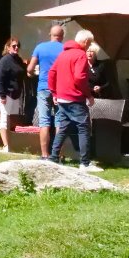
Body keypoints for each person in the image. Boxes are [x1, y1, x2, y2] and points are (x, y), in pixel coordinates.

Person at [47, 29, 96, 168]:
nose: (89, 47)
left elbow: (52, 73)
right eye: (89, 43)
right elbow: (79, 78)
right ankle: (85, 163)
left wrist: (54, 93)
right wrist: (88, 95)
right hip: (75, 98)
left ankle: (54, 158)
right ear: (86, 41)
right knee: (84, 128)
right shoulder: (80, 55)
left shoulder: (63, 54)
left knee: (63, 128)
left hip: (62, 98)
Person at [26, 24, 64, 160]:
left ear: (50, 35)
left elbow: (30, 68)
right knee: (59, 121)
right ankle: (58, 154)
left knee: (44, 121)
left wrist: (31, 73)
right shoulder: (65, 49)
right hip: (60, 89)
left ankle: (44, 154)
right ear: (62, 36)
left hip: (43, 87)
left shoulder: (40, 47)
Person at [0, 37, 26, 152]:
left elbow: (23, 70)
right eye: (14, 46)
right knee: (5, 118)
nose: (16, 48)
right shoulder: (5, 60)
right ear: (8, 48)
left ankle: (13, 144)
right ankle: (6, 145)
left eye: (18, 46)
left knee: (13, 119)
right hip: (6, 94)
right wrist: (2, 95)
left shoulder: (18, 60)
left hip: (16, 94)